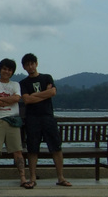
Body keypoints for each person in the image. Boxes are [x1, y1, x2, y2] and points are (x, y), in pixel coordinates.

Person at [19, 53, 71, 187]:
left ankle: (61, 177)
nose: (30, 67)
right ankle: (32, 178)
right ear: (24, 67)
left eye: (32, 64)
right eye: (27, 65)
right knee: (32, 149)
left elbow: (53, 92)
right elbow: (26, 100)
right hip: (32, 118)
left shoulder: (47, 77)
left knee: (56, 147)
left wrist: (35, 95)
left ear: (36, 64)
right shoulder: (23, 83)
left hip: (48, 117)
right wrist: (45, 94)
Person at [0, 58, 32, 189]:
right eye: (4, 69)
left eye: (9, 70)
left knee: (17, 151)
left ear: (12, 72)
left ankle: (23, 178)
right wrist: (8, 100)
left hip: (13, 121)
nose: (6, 71)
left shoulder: (15, 85)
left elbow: (17, 98)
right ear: (0, 70)